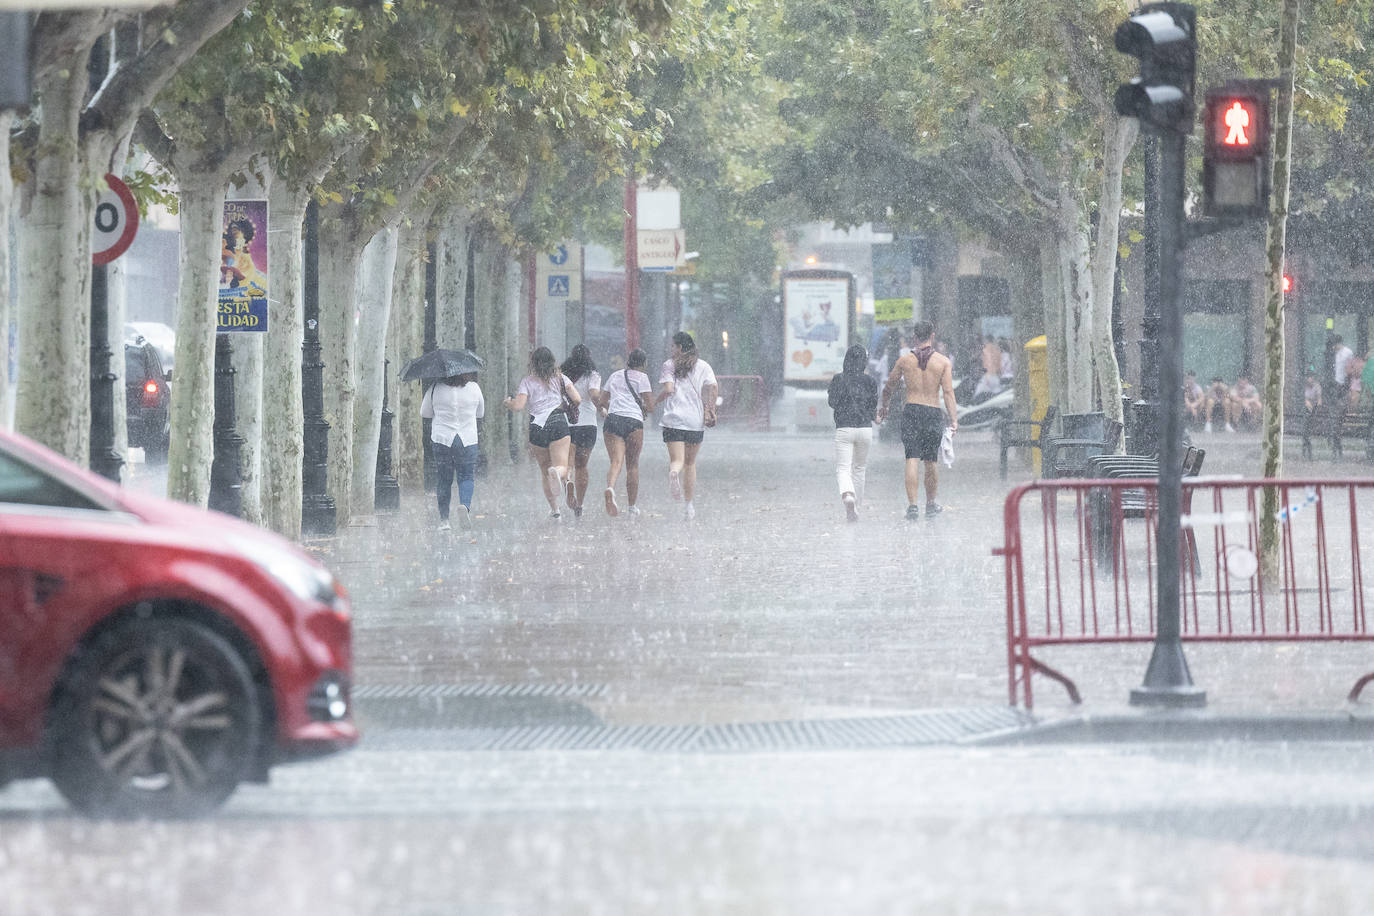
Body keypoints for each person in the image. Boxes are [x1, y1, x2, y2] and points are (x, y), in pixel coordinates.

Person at [877, 319, 958, 520]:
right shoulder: (943, 362)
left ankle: (913, 506)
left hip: (911, 410)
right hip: (932, 411)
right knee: (931, 460)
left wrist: (884, 407)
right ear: (932, 336)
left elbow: (889, 386)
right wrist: (954, 420)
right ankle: (930, 504)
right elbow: (948, 392)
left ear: (914, 337)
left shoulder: (905, 361)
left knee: (911, 458)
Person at [502, 347, 582, 520]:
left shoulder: (527, 382)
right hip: (557, 421)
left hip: (537, 427)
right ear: (552, 361)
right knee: (562, 465)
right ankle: (559, 473)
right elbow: (577, 399)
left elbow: (518, 406)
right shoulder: (561, 378)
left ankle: (555, 511)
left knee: (544, 471)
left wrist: (508, 403)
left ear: (533, 363)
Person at [654, 331, 718, 521]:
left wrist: (655, 402)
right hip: (694, 421)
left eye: (673, 346)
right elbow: (713, 387)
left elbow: (668, 390)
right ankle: (689, 507)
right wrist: (711, 409)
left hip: (673, 419)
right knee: (690, 464)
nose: (670, 349)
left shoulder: (668, 365)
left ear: (680, 348)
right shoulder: (703, 366)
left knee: (677, 460)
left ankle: (674, 472)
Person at [421, 372, 484, 530]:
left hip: (443, 439)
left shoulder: (435, 388)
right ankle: (464, 505)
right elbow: (480, 413)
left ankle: (444, 521)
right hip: (467, 439)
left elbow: (425, 413)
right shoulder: (474, 388)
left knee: (444, 479)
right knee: (466, 476)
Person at [597, 348, 654, 518]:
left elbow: (601, 401)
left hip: (613, 420)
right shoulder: (643, 378)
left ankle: (611, 487)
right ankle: (632, 507)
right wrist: (643, 406)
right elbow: (651, 407)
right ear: (644, 364)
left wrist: (609, 409)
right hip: (633, 422)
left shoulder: (615, 376)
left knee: (616, 462)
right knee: (632, 466)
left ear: (628, 361)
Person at [828, 344, 879, 522]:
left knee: (843, 467)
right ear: (864, 361)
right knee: (859, 468)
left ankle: (847, 495)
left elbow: (832, 403)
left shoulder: (838, 379)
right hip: (865, 429)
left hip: (844, 428)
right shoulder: (870, 382)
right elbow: (873, 407)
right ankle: (856, 506)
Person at [560, 344, 603, 519]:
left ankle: (568, 482)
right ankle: (580, 504)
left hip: (567, 423)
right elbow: (594, 394)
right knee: (582, 466)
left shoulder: (562, 376)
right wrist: (602, 406)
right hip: (587, 425)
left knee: (568, 464)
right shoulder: (593, 375)